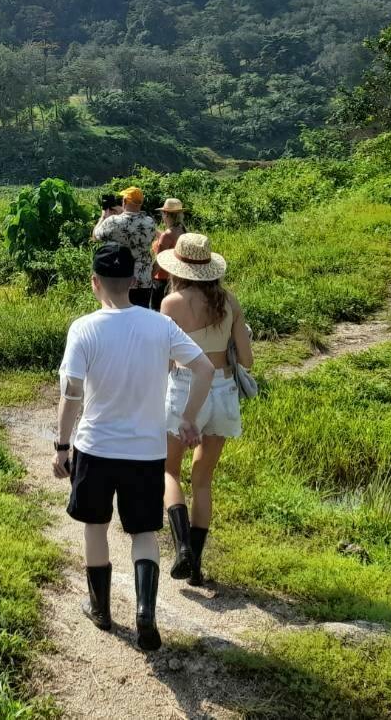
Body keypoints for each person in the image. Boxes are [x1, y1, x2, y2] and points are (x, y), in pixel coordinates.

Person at [52, 242, 214, 653]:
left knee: (95, 526)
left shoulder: (83, 328)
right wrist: (189, 418)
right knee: (143, 533)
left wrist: (61, 445)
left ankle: (101, 611)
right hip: (146, 450)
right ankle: (145, 610)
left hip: (96, 447)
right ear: (136, 282)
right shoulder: (158, 326)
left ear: (94, 284)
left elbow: (71, 392)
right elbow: (204, 367)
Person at [158, 233, 251, 588]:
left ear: (178, 269)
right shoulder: (230, 302)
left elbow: (166, 362)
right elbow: (247, 359)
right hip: (224, 390)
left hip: (185, 387)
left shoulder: (172, 304)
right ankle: (195, 564)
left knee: (168, 470)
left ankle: (181, 548)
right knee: (203, 479)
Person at [93, 187, 158, 308]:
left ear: (124, 202)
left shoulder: (113, 221)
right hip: (143, 280)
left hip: (119, 280)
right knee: (141, 316)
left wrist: (103, 217)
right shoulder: (150, 222)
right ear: (141, 203)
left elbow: (96, 236)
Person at [150, 198, 187, 311]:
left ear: (166, 214)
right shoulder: (182, 229)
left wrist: (148, 276)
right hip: (175, 279)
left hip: (161, 280)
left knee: (157, 312)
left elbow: (159, 262)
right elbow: (169, 240)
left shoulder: (167, 235)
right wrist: (155, 231)